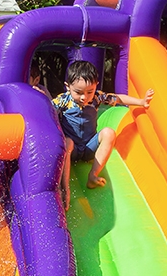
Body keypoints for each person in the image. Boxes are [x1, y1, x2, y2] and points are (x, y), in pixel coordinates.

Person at [53, 59, 154, 208]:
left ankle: (93, 175)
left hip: (89, 147)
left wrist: (141, 102)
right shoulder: (62, 100)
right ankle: (64, 188)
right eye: (78, 92)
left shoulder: (97, 97)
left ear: (96, 86)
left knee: (109, 133)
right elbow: (46, 110)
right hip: (70, 149)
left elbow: (118, 98)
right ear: (68, 87)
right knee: (68, 142)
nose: (84, 97)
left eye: (89, 92)